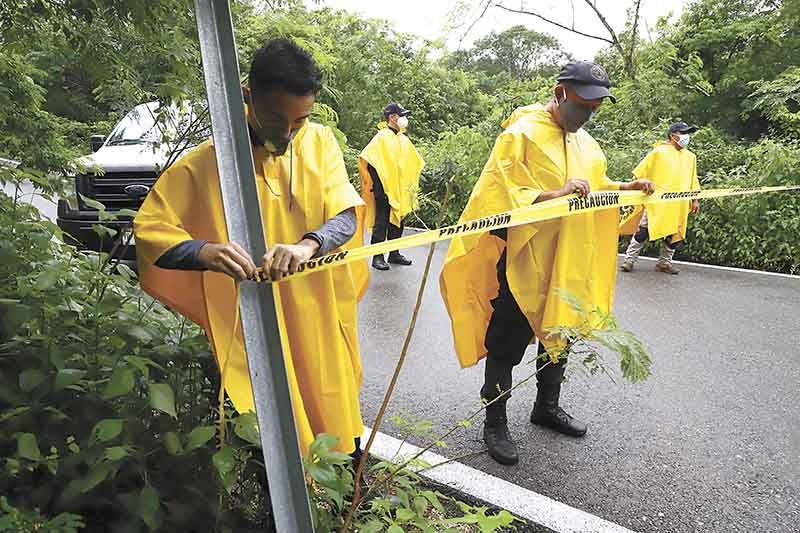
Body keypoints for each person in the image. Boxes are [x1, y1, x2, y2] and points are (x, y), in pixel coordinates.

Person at [133, 38, 369, 459]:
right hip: (252, 324)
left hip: (317, 309)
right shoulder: (206, 163)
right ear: (248, 96)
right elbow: (150, 234)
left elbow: (347, 216)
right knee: (269, 426)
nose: (288, 132)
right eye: (278, 118)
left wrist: (307, 245)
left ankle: (345, 495)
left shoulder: (319, 143)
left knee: (334, 408)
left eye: (300, 120)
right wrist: (204, 252)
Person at [439, 61, 655, 466]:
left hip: (568, 259)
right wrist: (555, 193)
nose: (588, 113)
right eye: (583, 104)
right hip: (526, 259)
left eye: (596, 107)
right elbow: (499, 194)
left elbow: (596, 186)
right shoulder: (520, 134)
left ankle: (546, 406)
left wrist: (627, 187)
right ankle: (495, 421)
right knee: (508, 339)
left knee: (560, 331)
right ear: (560, 93)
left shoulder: (587, 144)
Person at [620, 121, 701, 274]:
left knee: (674, 233)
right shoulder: (659, 152)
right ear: (673, 135)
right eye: (683, 133)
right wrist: (635, 188)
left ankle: (664, 263)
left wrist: (694, 199)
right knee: (643, 230)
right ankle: (629, 260)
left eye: (687, 133)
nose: (686, 136)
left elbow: (693, 179)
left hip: (679, 203)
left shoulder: (691, 157)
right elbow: (640, 173)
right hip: (657, 201)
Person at [358, 102, 424, 271]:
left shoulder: (403, 138)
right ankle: (377, 256)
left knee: (399, 221)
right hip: (384, 190)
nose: (404, 118)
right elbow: (369, 161)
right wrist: (381, 189)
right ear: (392, 117)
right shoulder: (381, 137)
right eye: (402, 115)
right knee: (381, 222)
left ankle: (394, 253)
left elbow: (413, 162)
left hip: (400, 190)